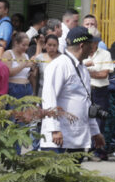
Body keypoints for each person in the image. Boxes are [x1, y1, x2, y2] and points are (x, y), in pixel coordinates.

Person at [40, 26, 104, 155]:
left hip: (77, 139)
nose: (92, 48)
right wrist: (54, 129)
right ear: (82, 45)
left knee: (73, 174)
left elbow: (87, 103)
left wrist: (95, 132)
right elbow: (49, 99)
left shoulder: (83, 69)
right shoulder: (59, 65)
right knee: (57, 175)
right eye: (90, 45)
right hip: (58, 139)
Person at [85, 35, 113, 157]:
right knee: (84, 119)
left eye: (92, 42)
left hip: (100, 90)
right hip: (85, 90)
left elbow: (103, 74)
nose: (90, 44)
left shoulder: (105, 54)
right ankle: (85, 149)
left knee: (99, 120)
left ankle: (96, 150)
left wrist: (86, 71)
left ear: (96, 42)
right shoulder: (82, 53)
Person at [2, 31, 37, 99]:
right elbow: (8, 72)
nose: (26, 48)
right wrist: (24, 65)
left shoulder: (26, 55)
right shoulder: (8, 53)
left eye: (27, 45)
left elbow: (29, 74)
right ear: (16, 43)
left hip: (27, 87)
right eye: (23, 45)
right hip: (14, 88)